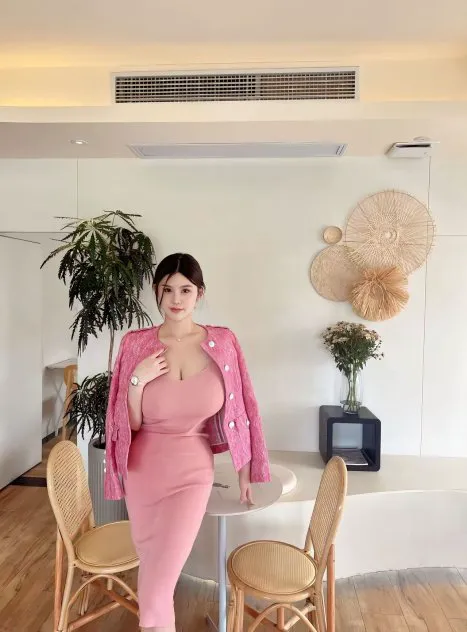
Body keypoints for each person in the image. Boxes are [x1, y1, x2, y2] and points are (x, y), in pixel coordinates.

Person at [104, 252, 271, 632]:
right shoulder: (135, 345)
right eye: (167, 290)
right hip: (142, 473)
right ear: (157, 292)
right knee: (154, 573)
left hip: (192, 473)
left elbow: (243, 408)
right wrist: (137, 380)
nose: (176, 299)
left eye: (185, 290)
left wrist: (245, 470)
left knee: (158, 582)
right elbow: (128, 423)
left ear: (199, 293)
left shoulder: (223, 343)